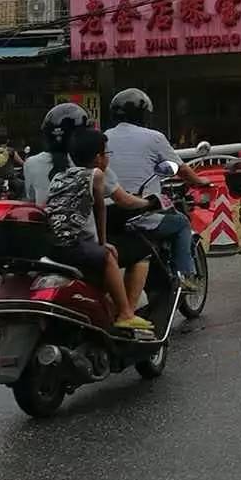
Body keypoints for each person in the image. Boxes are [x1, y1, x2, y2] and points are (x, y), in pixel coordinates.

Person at [38, 117, 153, 333]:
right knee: (109, 256)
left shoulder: (59, 176)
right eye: (106, 153)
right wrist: (104, 242)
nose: (107, 157)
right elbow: (100, 210)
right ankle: (126, 314)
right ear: (99, 157)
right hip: (73, 243)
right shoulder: (97, 175)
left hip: (52, 243)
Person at [103, 88, 207, 292]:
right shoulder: (154, 137)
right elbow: (182, 169)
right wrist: (200, 182)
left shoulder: (103, 137)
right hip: (140, 212)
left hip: (107, 215)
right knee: (181, 222)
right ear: (144, 113)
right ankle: (185, 275)